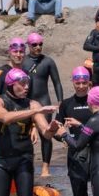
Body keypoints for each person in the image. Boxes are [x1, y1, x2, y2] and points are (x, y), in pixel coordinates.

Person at [0, 68, 58, 196]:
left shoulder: (33, 104)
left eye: (28, 83)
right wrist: (36, 111)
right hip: (1, 161)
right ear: (11, 84)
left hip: (24, 159)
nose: (27, 87)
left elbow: (46, 134)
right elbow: (5, 118)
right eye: (22, 83)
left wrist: (53, 128)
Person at [22, 32, 63, 177]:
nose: (38, 47)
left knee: (45, 136)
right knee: (25, 136)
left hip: (43, 101)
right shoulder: (23, 62)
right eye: (34, 45)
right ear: (28, 45)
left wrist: (60, 102)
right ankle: (27, 166)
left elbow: (57, 83)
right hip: (26, 103)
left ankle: (45, 167)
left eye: (40, 44)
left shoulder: (48, 61)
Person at [54, 67, 94, 196]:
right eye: (78, 83)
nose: (81, 86)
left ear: (89, 83)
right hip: (75, 152)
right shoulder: (66, 104)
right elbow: (56, 128)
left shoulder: (96, 102)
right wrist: (62, 138)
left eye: (84, 83)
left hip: (95, 151)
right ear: (73, 82)